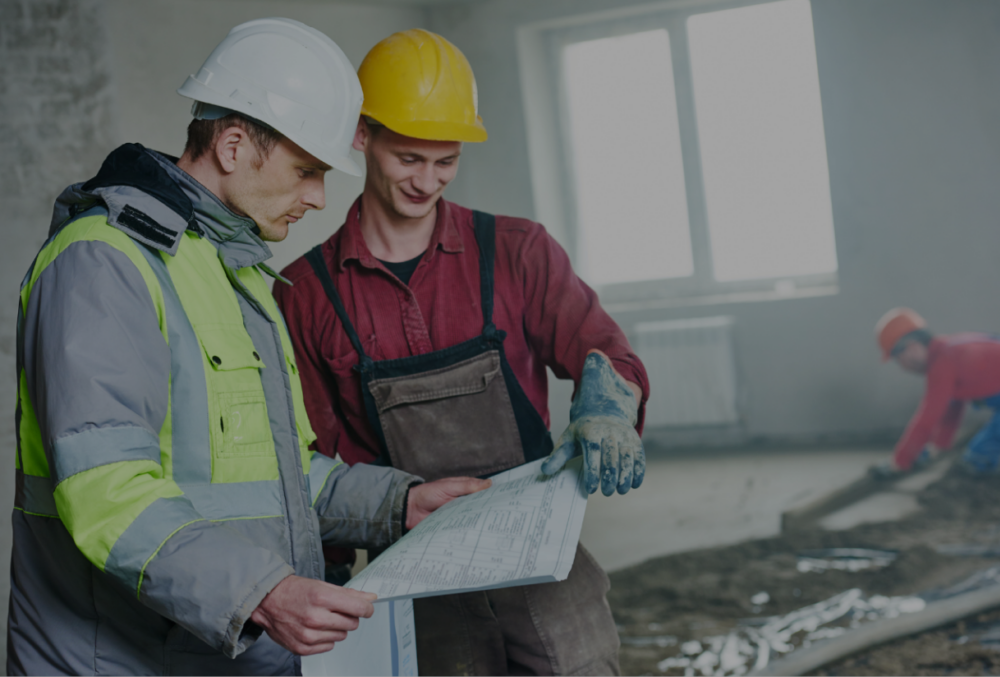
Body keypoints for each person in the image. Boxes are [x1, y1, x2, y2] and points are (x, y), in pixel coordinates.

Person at [7, 19, 488, 676]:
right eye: (306, 171)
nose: (320, 197)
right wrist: (263, 591)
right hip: (122, 659)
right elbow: (105, 489)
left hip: (222, 653)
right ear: (233, 145)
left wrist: (397, 503)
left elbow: (279, 475)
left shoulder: (231, 270)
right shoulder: (104, 262)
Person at [273, 28, 649, 676]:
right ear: (364, 136)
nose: (428, 180)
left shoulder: (517, 250)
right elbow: (310, 458)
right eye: (409, 158)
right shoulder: (307, 294)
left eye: (445, 161)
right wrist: (323, 573)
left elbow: (602, 346)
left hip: (539, 558)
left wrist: (608, 403)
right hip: (416, 576)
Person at [873, 307, 1000, 477]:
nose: (903, 367)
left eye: (898, 360)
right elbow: (952, 408)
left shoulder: (942, 363)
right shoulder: (948, 351)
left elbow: (927, 419)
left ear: (911, 347)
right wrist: (939, 445)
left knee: (978, 457)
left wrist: (899, 462)